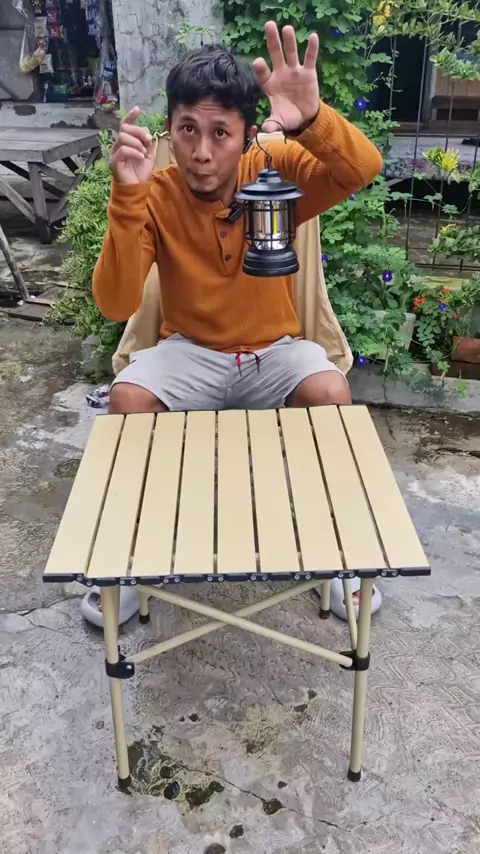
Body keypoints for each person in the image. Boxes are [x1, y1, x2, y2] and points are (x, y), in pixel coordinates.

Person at [81, 22, 383, 628]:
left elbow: (362, 167)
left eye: (220, 132)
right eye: (188, 130)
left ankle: (339, 553)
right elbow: (115, 304)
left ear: (246, 136)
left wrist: (312, 118)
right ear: (169, 130)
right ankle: (135, 559)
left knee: (330, 391)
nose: (201, 151)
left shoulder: (274, 168)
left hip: (273, 351)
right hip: (190, 351)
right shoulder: (155, 193)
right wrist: (126, 197)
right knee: (128, 398)